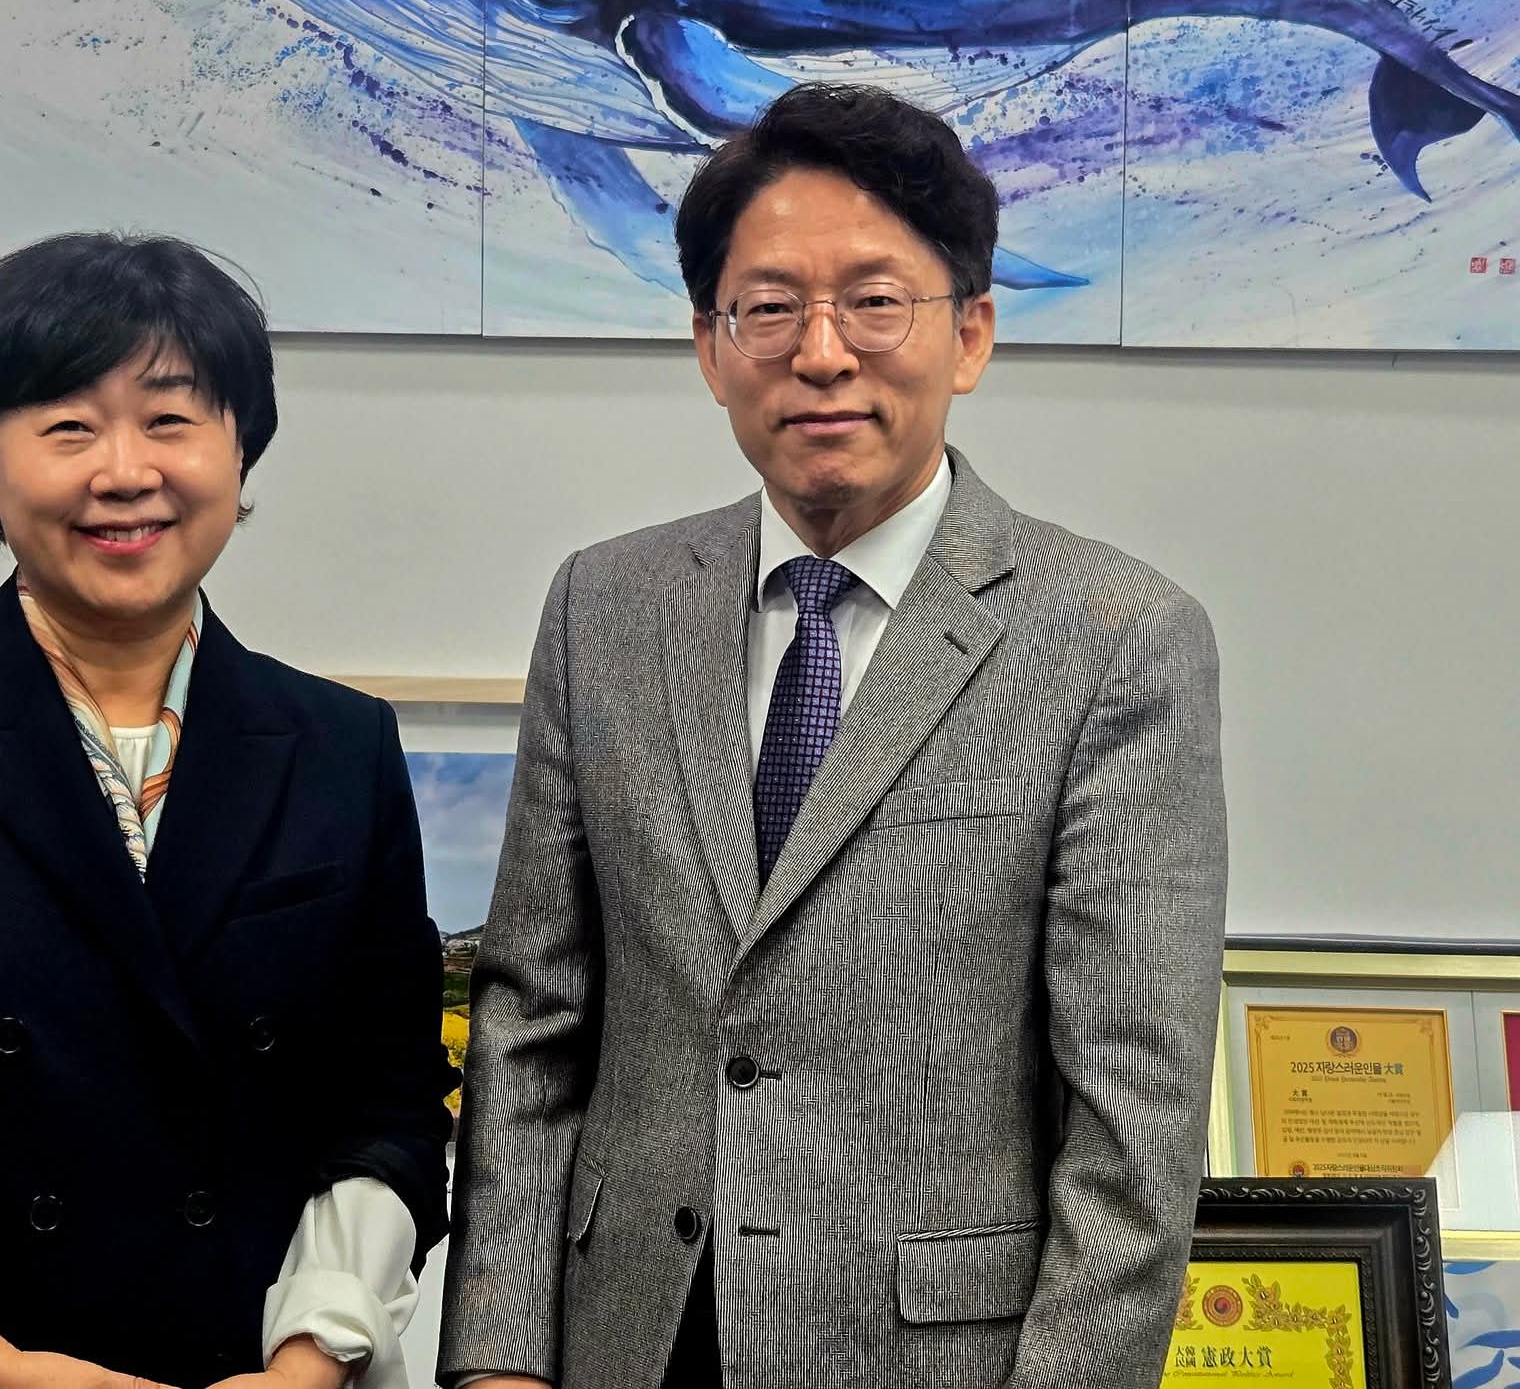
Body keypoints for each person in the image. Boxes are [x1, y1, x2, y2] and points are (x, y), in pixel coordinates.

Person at [438, 85, 1229, 1388]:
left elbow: (1133, 1120)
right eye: (767, 307)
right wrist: (499, 1359)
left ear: (969, 334)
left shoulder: (1114, 638)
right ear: (709, 348)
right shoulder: (604, 607)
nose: (820, 354)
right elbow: (532, 1020)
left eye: (873, 301)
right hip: (625, 1342)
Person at [0, 234, 455, 1389]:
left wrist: (315, 1353)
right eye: (67, 425)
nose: (124, 470)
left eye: (169, 418)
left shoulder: (338, 746)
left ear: (239, 449)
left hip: (250, 1366)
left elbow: (391, 1098)